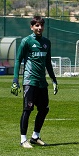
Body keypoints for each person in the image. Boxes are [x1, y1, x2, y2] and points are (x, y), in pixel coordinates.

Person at [12, 15, 58, 148]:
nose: (40, 28)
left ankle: (35, 136)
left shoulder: (46, 42)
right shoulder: (26, 41)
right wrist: (16, 80)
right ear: (31, 27)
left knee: (44, 109)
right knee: (27, 109)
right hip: (30, 80)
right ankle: (23, 139)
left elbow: (48, 63)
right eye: (37, 25)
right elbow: (17, 60)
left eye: (41, 25)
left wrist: (54, 80)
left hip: (42, 82)